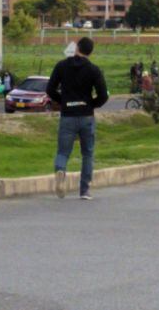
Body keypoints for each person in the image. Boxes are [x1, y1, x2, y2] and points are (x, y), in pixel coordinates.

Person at [47, 37, 109, 200]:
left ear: (77, 48)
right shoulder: (94, 70)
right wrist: (91, 104)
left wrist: (63, 101)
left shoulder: (62, 66)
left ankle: (60, 170)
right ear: (90, 52)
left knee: (63, 151)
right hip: (86, 116)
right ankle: (85, 190)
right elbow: (103, 95)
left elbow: (50, 89)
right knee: (87, 153)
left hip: (68, 115)